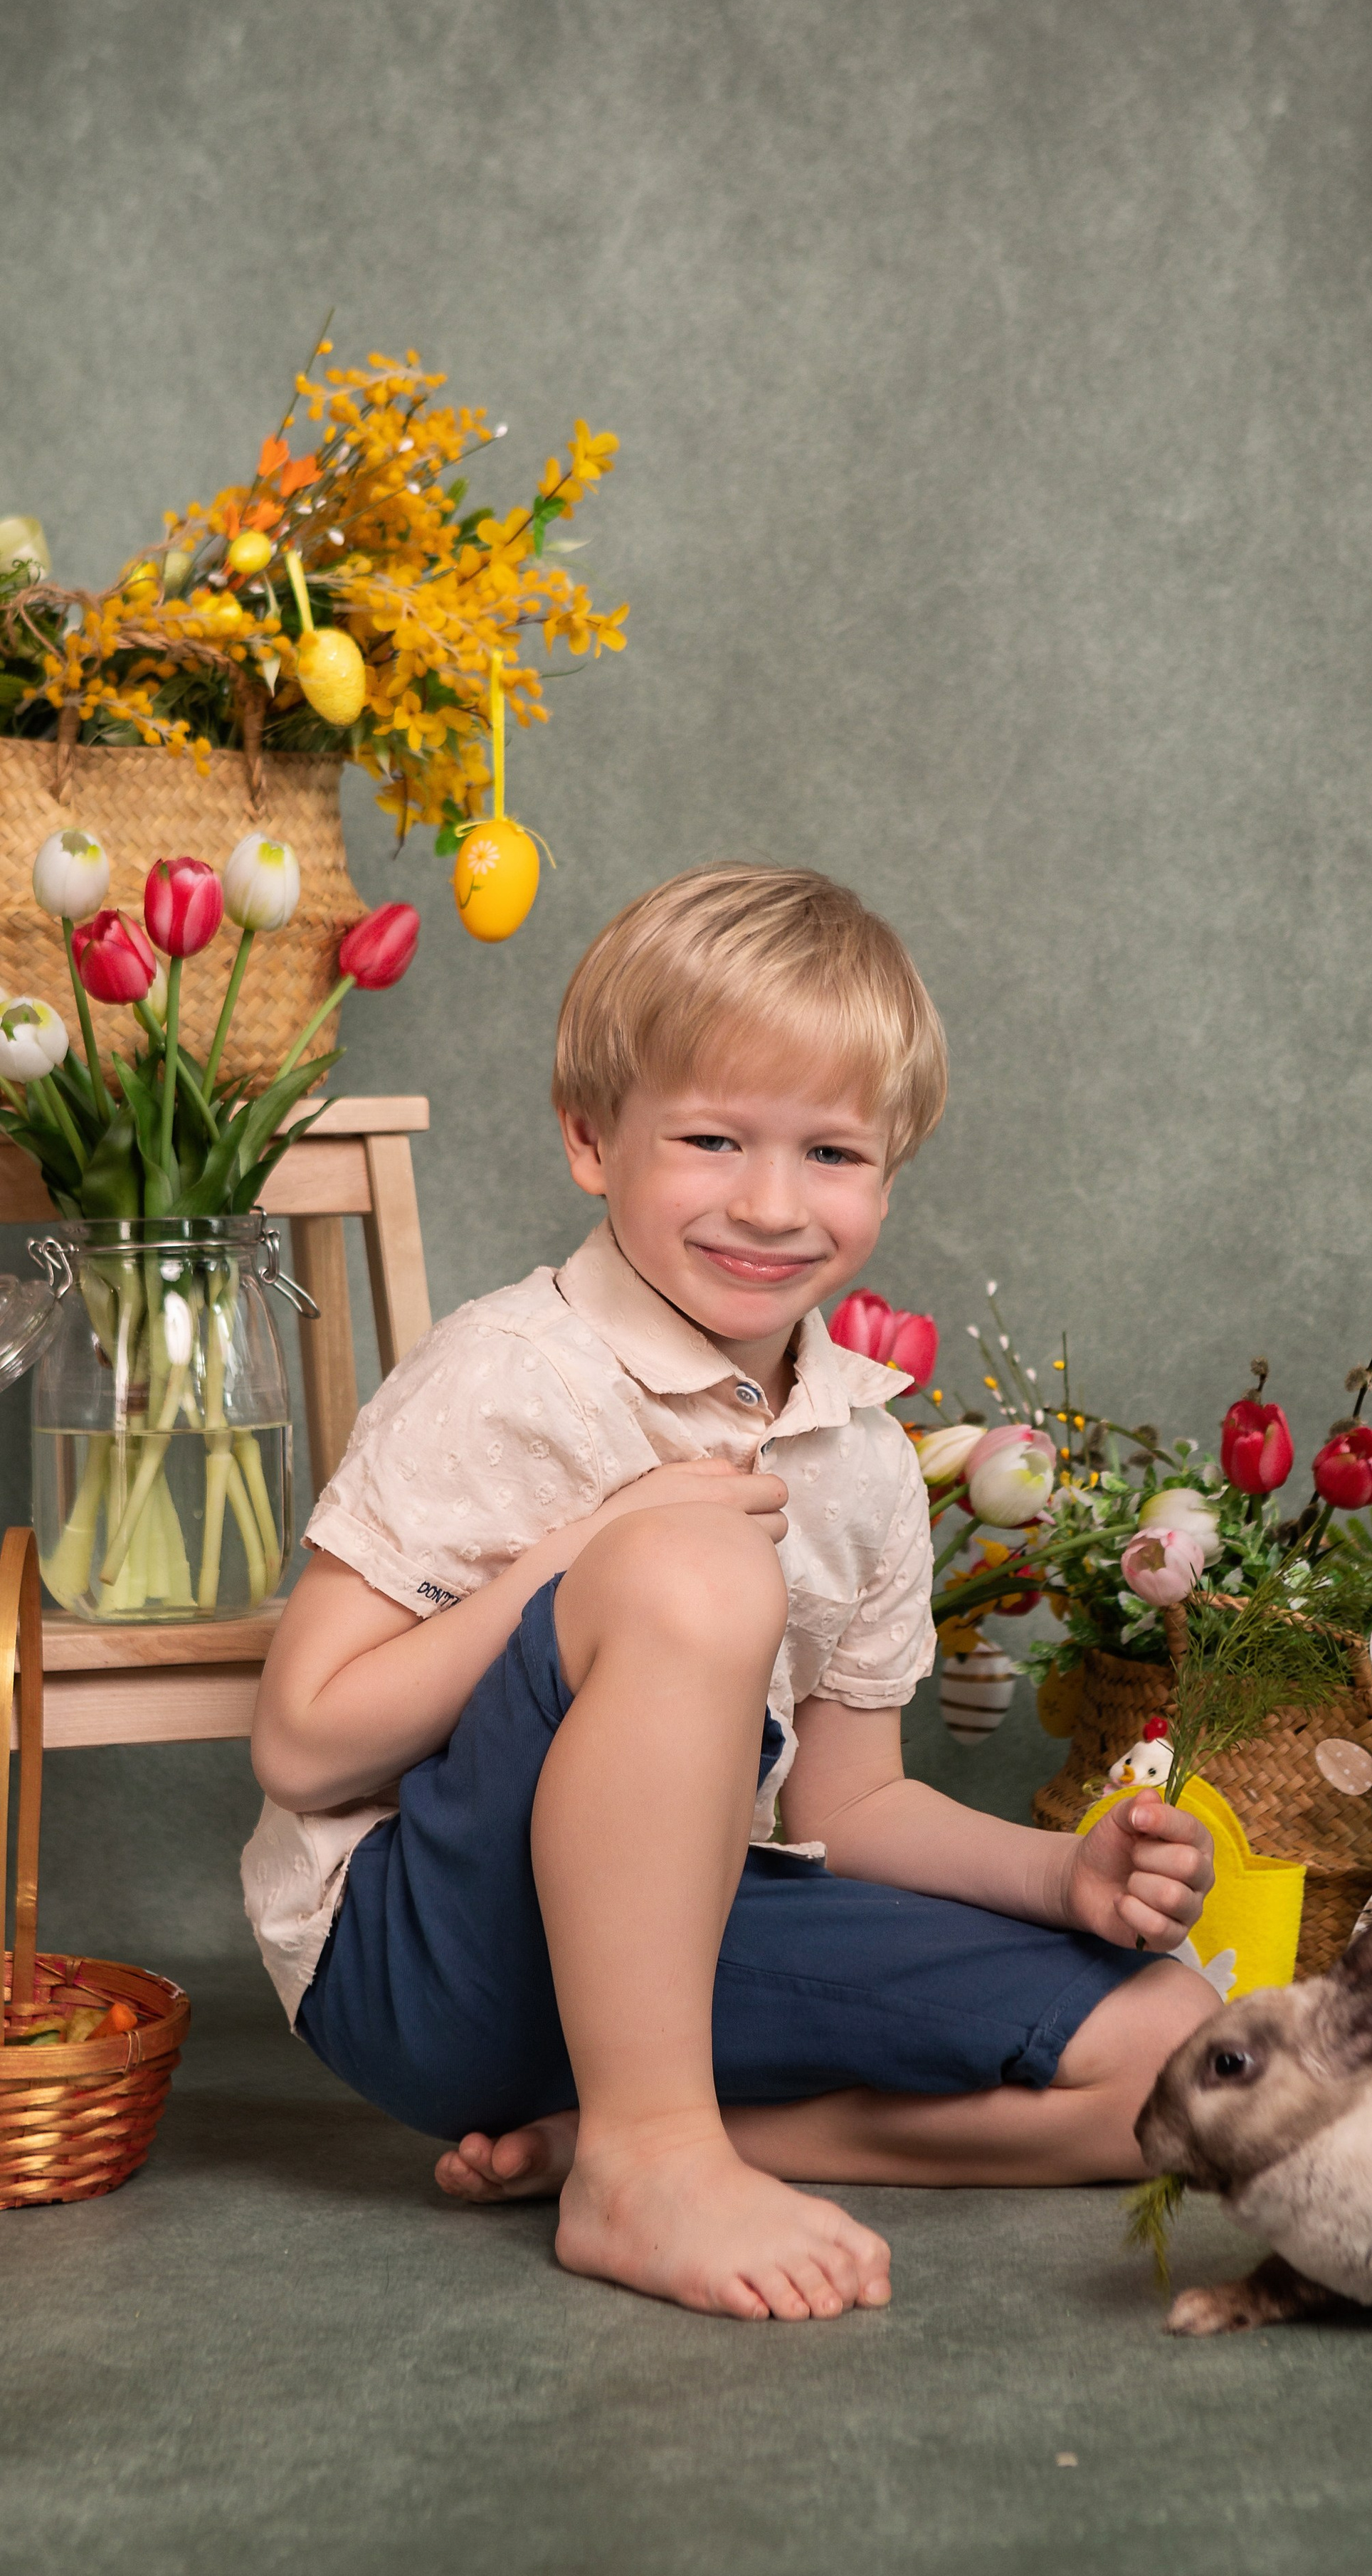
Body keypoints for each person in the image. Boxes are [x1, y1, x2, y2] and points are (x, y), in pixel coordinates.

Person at [243, 864, 1216, 2323]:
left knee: (1178, 2048)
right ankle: (651, 2158)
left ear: (890, 1171)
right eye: (709, 1139)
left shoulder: (865, 1454)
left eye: (832, 1154)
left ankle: (622, 2146)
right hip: (420, 1960)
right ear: (590, 1139)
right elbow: (303, 1743)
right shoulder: (507, 1375)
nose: (770, 1205)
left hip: (667, 1946)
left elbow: (843, 1810)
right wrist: (590, 1552)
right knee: (692, 1552)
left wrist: (1059, 1876)